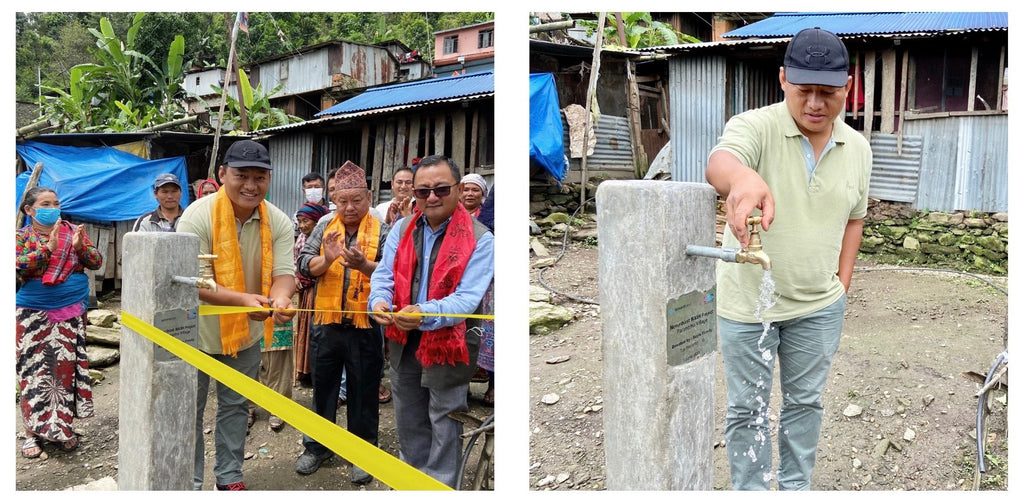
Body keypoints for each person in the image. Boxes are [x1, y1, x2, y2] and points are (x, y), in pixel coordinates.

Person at [705, 28, 871, 491]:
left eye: (828, 92)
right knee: (747, 409)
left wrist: (843, 281)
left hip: (819, 308)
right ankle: (752, 491)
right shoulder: (755, 126)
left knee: (805, 404)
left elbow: (855, 218)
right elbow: (720, 161)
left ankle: (796, 488)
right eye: (804, 91)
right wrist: (742, 178)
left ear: (847, 87)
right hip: (747, 308)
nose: (815, 103)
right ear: (782, 80)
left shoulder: (857, 147)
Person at [176, 139, 297, 491]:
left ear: (269, 180)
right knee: (190, 412)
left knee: (235, 406)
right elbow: (193, 282)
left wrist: (280, 300)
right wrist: (245, 299)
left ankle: (229, 476)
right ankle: (192, 482)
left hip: (246, 333)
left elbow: (284, 273)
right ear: (222, 174)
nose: (250, 185)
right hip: (194, 335)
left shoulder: (277, 220)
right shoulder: (197, 217)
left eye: (260, 177)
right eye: (242, 175)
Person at [369, 155, 494, 487]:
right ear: (414, 194)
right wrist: (378, 300)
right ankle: (412, 480)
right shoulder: (401, 228)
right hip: (403, 338)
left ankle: (440, 485)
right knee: (408, 415)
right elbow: (383, 275)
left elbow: (467, 299)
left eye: (441, 189)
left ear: (456, 189)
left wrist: (423, 312)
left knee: (445, 417)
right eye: (423, 192)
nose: (432, 197)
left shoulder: (481, 239)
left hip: (450, 343)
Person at [294, 161, 387, 484]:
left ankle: (363, 451)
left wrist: (364, 264)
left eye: (356, 200)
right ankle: (318, 446)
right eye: (342, 201)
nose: (349, 208)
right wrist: (329, 258)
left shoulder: (382, 228)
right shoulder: (323, 226)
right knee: (323, 388)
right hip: (327, 323)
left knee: (364, 389)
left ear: (368, 197)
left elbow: (392, 272)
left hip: (366, 324)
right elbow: (305, 265)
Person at [16, 187, 103, 458]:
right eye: (45, 203)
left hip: (71, 312)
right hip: (33, 314)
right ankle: (32, 432)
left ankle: (63, 428)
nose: (52, 207)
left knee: (65, 371)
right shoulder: (20, 237)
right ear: (30, 210)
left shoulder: (73, 232)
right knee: (33, 372)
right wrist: (48, 249)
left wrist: (79, 248)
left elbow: (96, 261)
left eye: (55, 203)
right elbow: (17, 265)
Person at [293, 202, 330, 385]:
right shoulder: (300, 239)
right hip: (305, 292)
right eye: (299, 221)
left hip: (319, 290)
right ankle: (305, 371)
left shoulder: (324, 239)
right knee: (304, 330)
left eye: (305, 221)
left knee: (316, 332)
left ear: (317, 222)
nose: (302, 225)